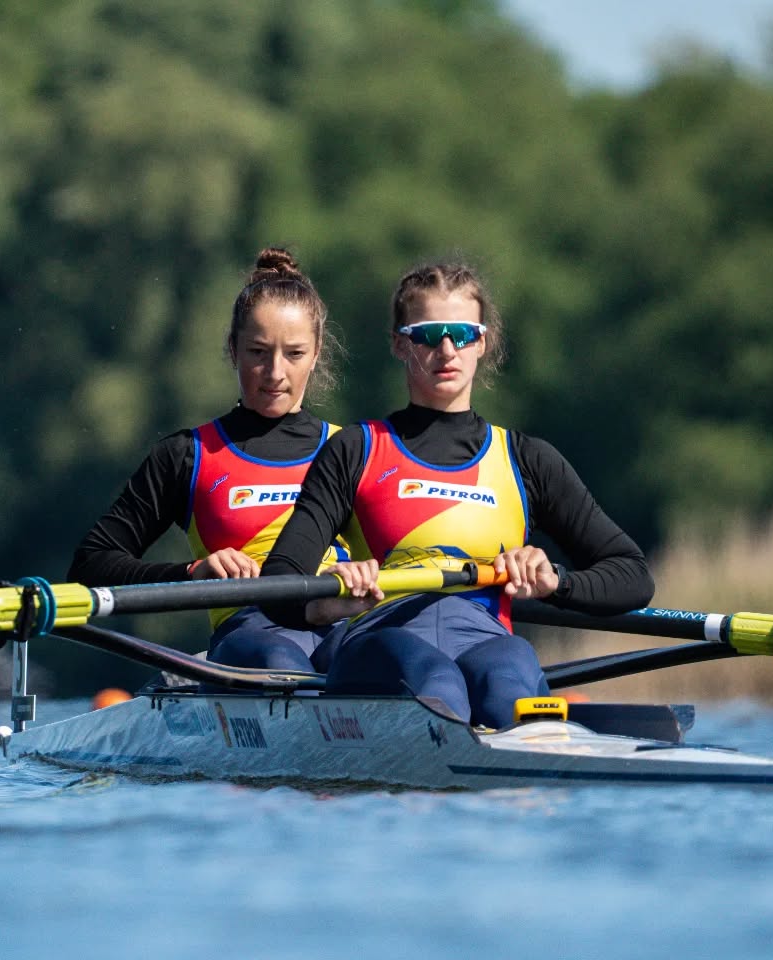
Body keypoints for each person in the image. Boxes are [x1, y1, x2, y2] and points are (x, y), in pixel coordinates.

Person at [260, 259, 654, 729]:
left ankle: (521, 761)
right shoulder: (356, 450)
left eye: (462, 334)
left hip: (486, 638)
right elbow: (279, 582)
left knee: (508, 681)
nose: (447, 349)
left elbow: (633, 576)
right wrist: (333, 601)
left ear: (482, 342)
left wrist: (555, 582)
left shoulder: (527, 460)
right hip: (383, 639)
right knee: (437, 681)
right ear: (400, 343)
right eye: (429, 334)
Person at [69, 247, 346, 672]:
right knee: (282, 661)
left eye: (293, 353)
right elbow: (91, 566)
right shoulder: (187, 456)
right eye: (257, 352)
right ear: (233, 349)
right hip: (253, 638)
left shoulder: (355, 452)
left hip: (346, 625)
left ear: (316, 352)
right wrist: (193, 571)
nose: (275, 373)